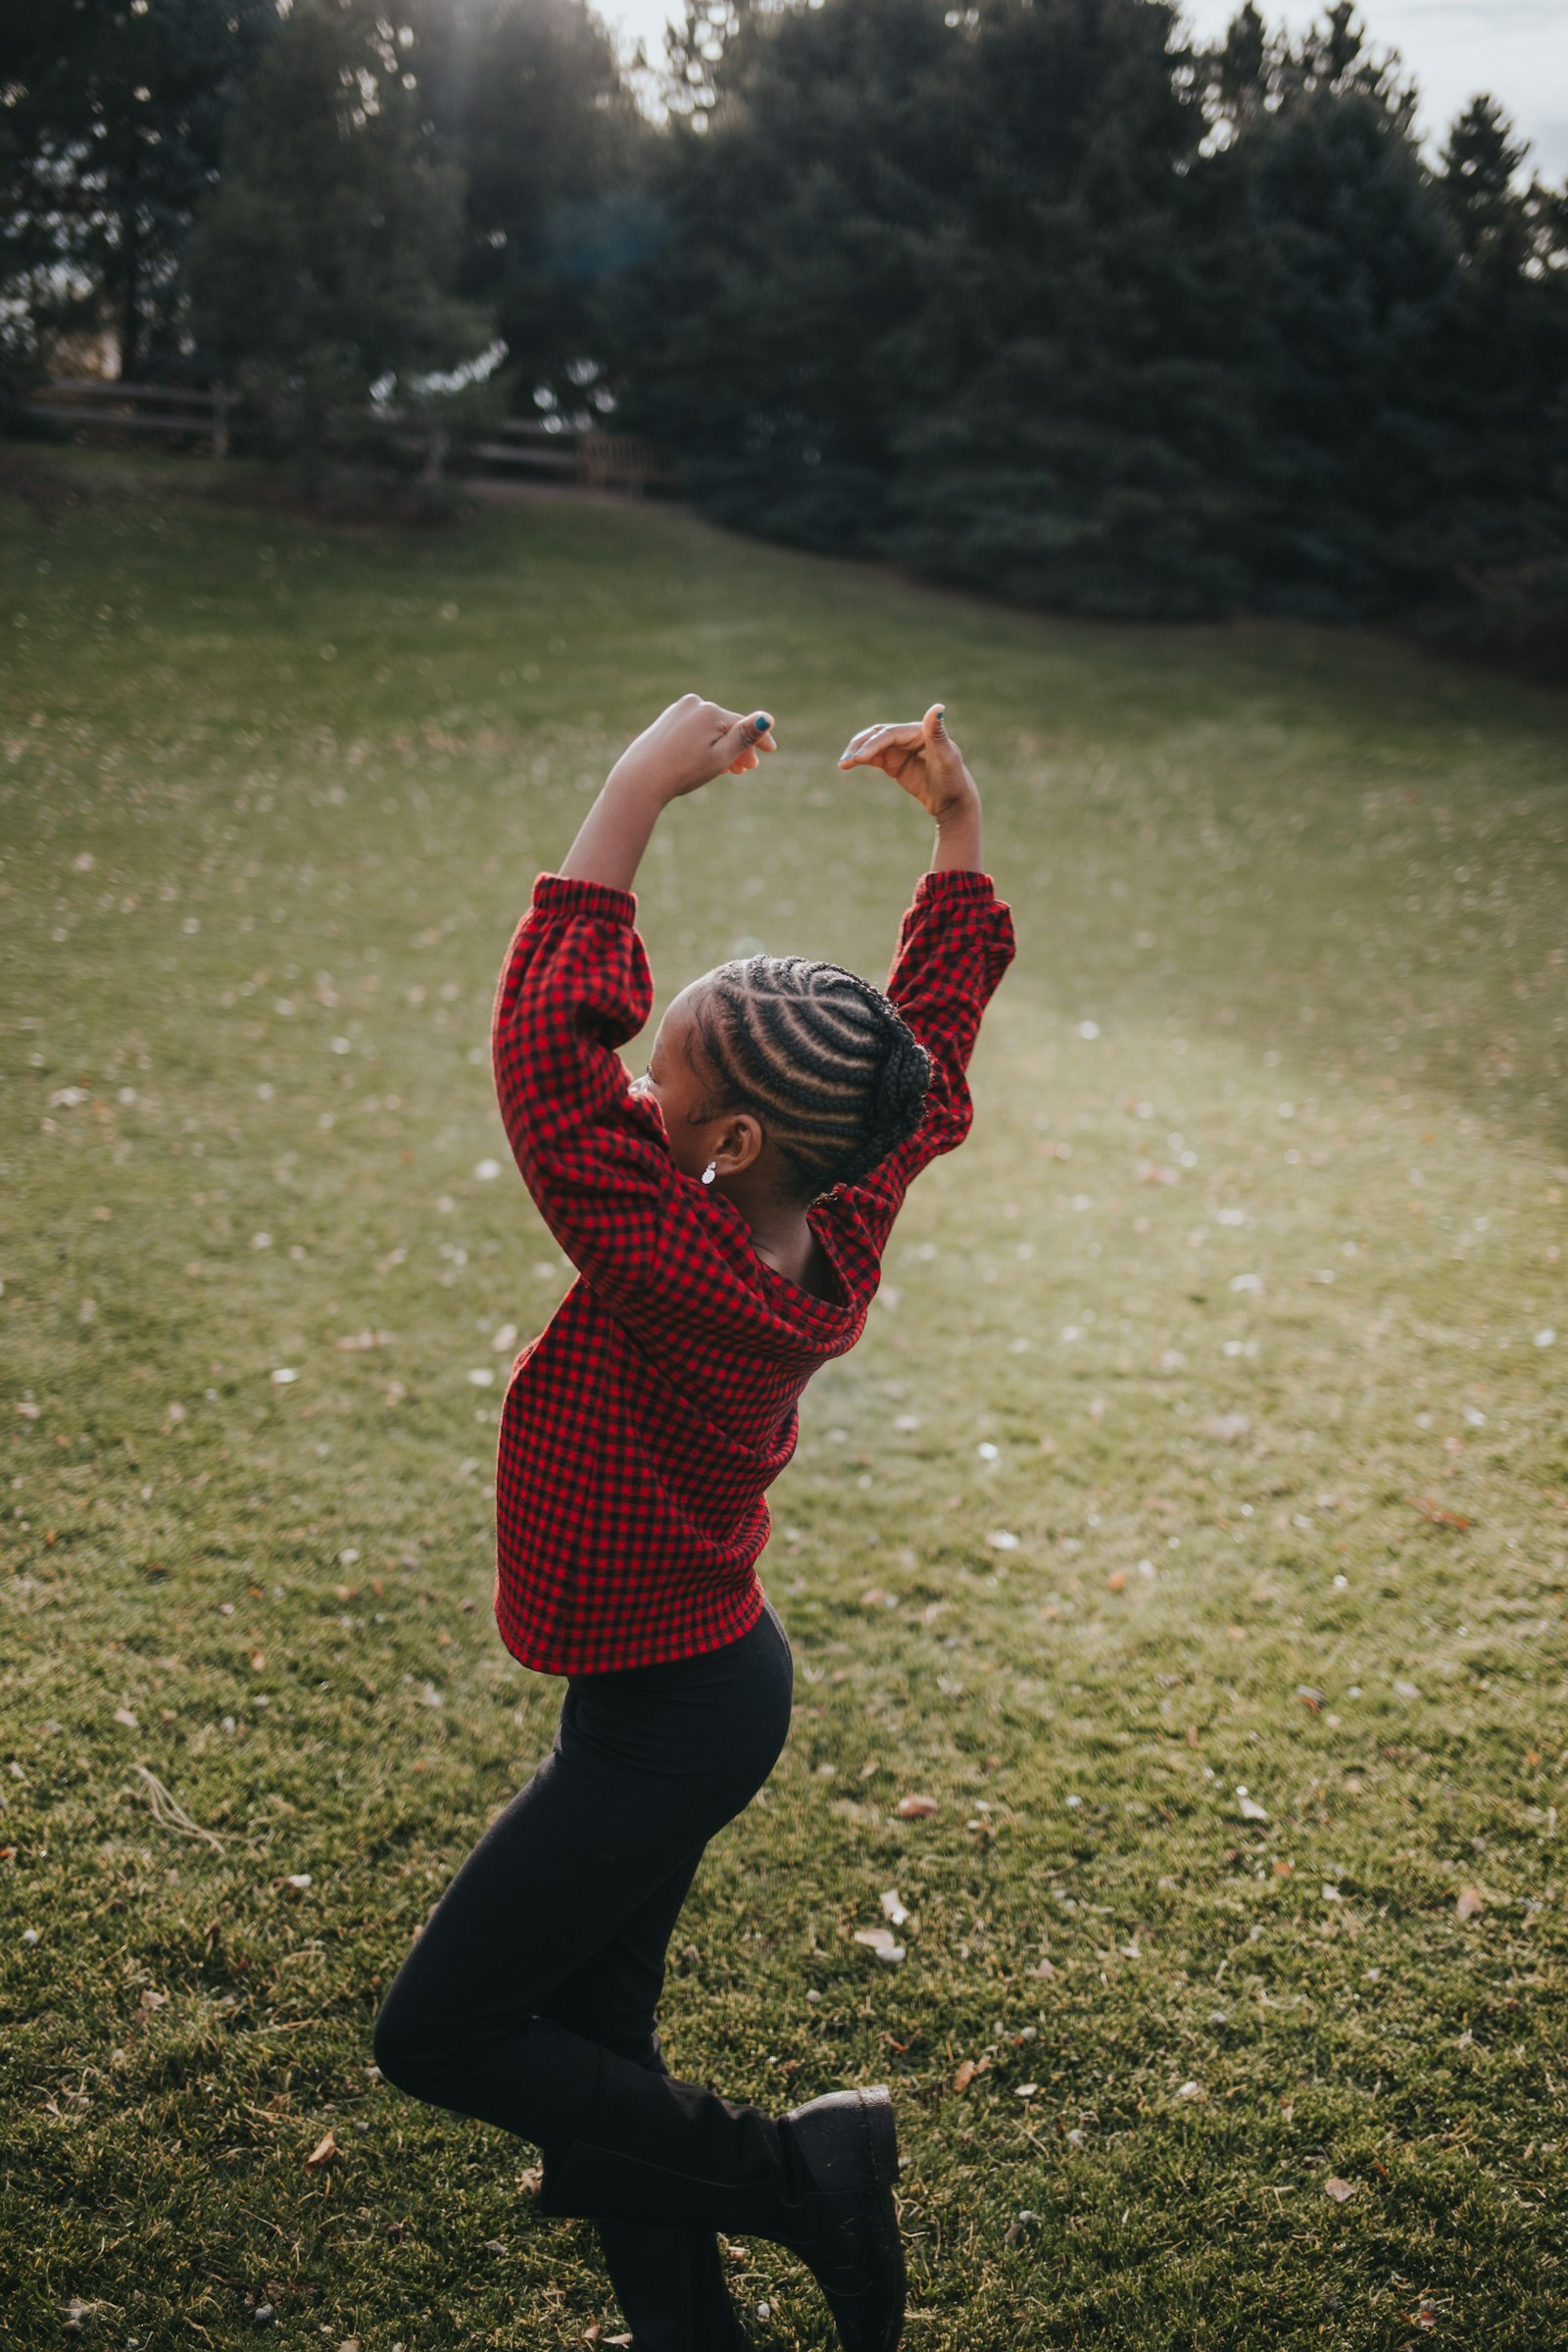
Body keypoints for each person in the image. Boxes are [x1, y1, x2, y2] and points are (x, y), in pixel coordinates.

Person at [372, 694, 1016, 2352]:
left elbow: (539, 1062)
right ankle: (691, 2331)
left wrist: (635, 789)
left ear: (727, 1147)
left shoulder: (666, 1253)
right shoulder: (841, 1205)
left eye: (662, 1073)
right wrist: (955, 834)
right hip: (701, 1683)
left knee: (439, 2037)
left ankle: (803, 2170)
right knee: (600, 2038)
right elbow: (924, 1050)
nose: (633, 1078)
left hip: (671, 1716)